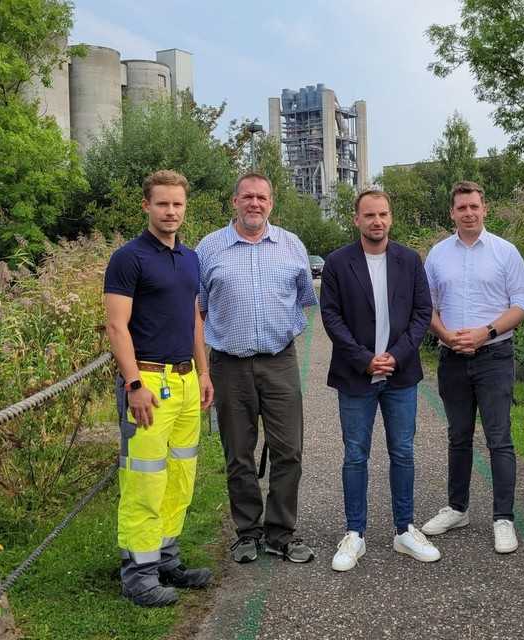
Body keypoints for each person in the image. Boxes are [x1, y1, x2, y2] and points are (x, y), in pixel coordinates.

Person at [104, 170, 214, 607]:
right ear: (146, 206)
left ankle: (166, 558)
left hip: (186, 381)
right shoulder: (128, 258)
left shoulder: (190, 258)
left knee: (179, 477)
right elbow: (117, 325)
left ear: (185, 208)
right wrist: (133, 383)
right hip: (147, 381)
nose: (171, 212)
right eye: (163, 204)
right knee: (143, 481)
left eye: (178, 205)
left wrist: (204, 373)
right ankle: (138, 575)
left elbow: (194, 320)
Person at [196, 172, 317, 564]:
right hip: (228, 365)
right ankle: (248, 532)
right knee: (238, 452)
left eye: (261, 197)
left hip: (279, 361)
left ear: (271, 203)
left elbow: (303, 299)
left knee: (289, 450)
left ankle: (281, 533)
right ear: (234, 202)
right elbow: (198, 309)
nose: (254, 204)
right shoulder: (209, 249)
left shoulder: (291, 245)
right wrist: (203, 369)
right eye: (246, 196)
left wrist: (278, 330)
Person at [320, 189, 439, 571]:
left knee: (402, 451)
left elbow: (423, 312)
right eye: (369, 215)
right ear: (356, 219)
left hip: (401, 373)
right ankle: (355, 534)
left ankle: (404, 529)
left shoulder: (409, 260)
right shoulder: (339, 263)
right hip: (356, 375)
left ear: (391, 217)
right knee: (356, 455)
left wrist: (396, 355)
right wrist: (366, 360)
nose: (377, 221)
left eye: (383, 214)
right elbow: (332, 317)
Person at [422, 181, 524, 554]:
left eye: (474, 206)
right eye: (461, 208)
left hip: (495, 356)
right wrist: (446, 335)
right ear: (452, 213)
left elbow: (522, 304)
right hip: (452, 357)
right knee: (458, 436)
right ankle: (457, 508)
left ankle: (503, 518)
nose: (468, 213)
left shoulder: (505, 252)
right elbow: (427, 308)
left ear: (485, 209)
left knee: (499, 438)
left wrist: (486, 333)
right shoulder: (437, 255)